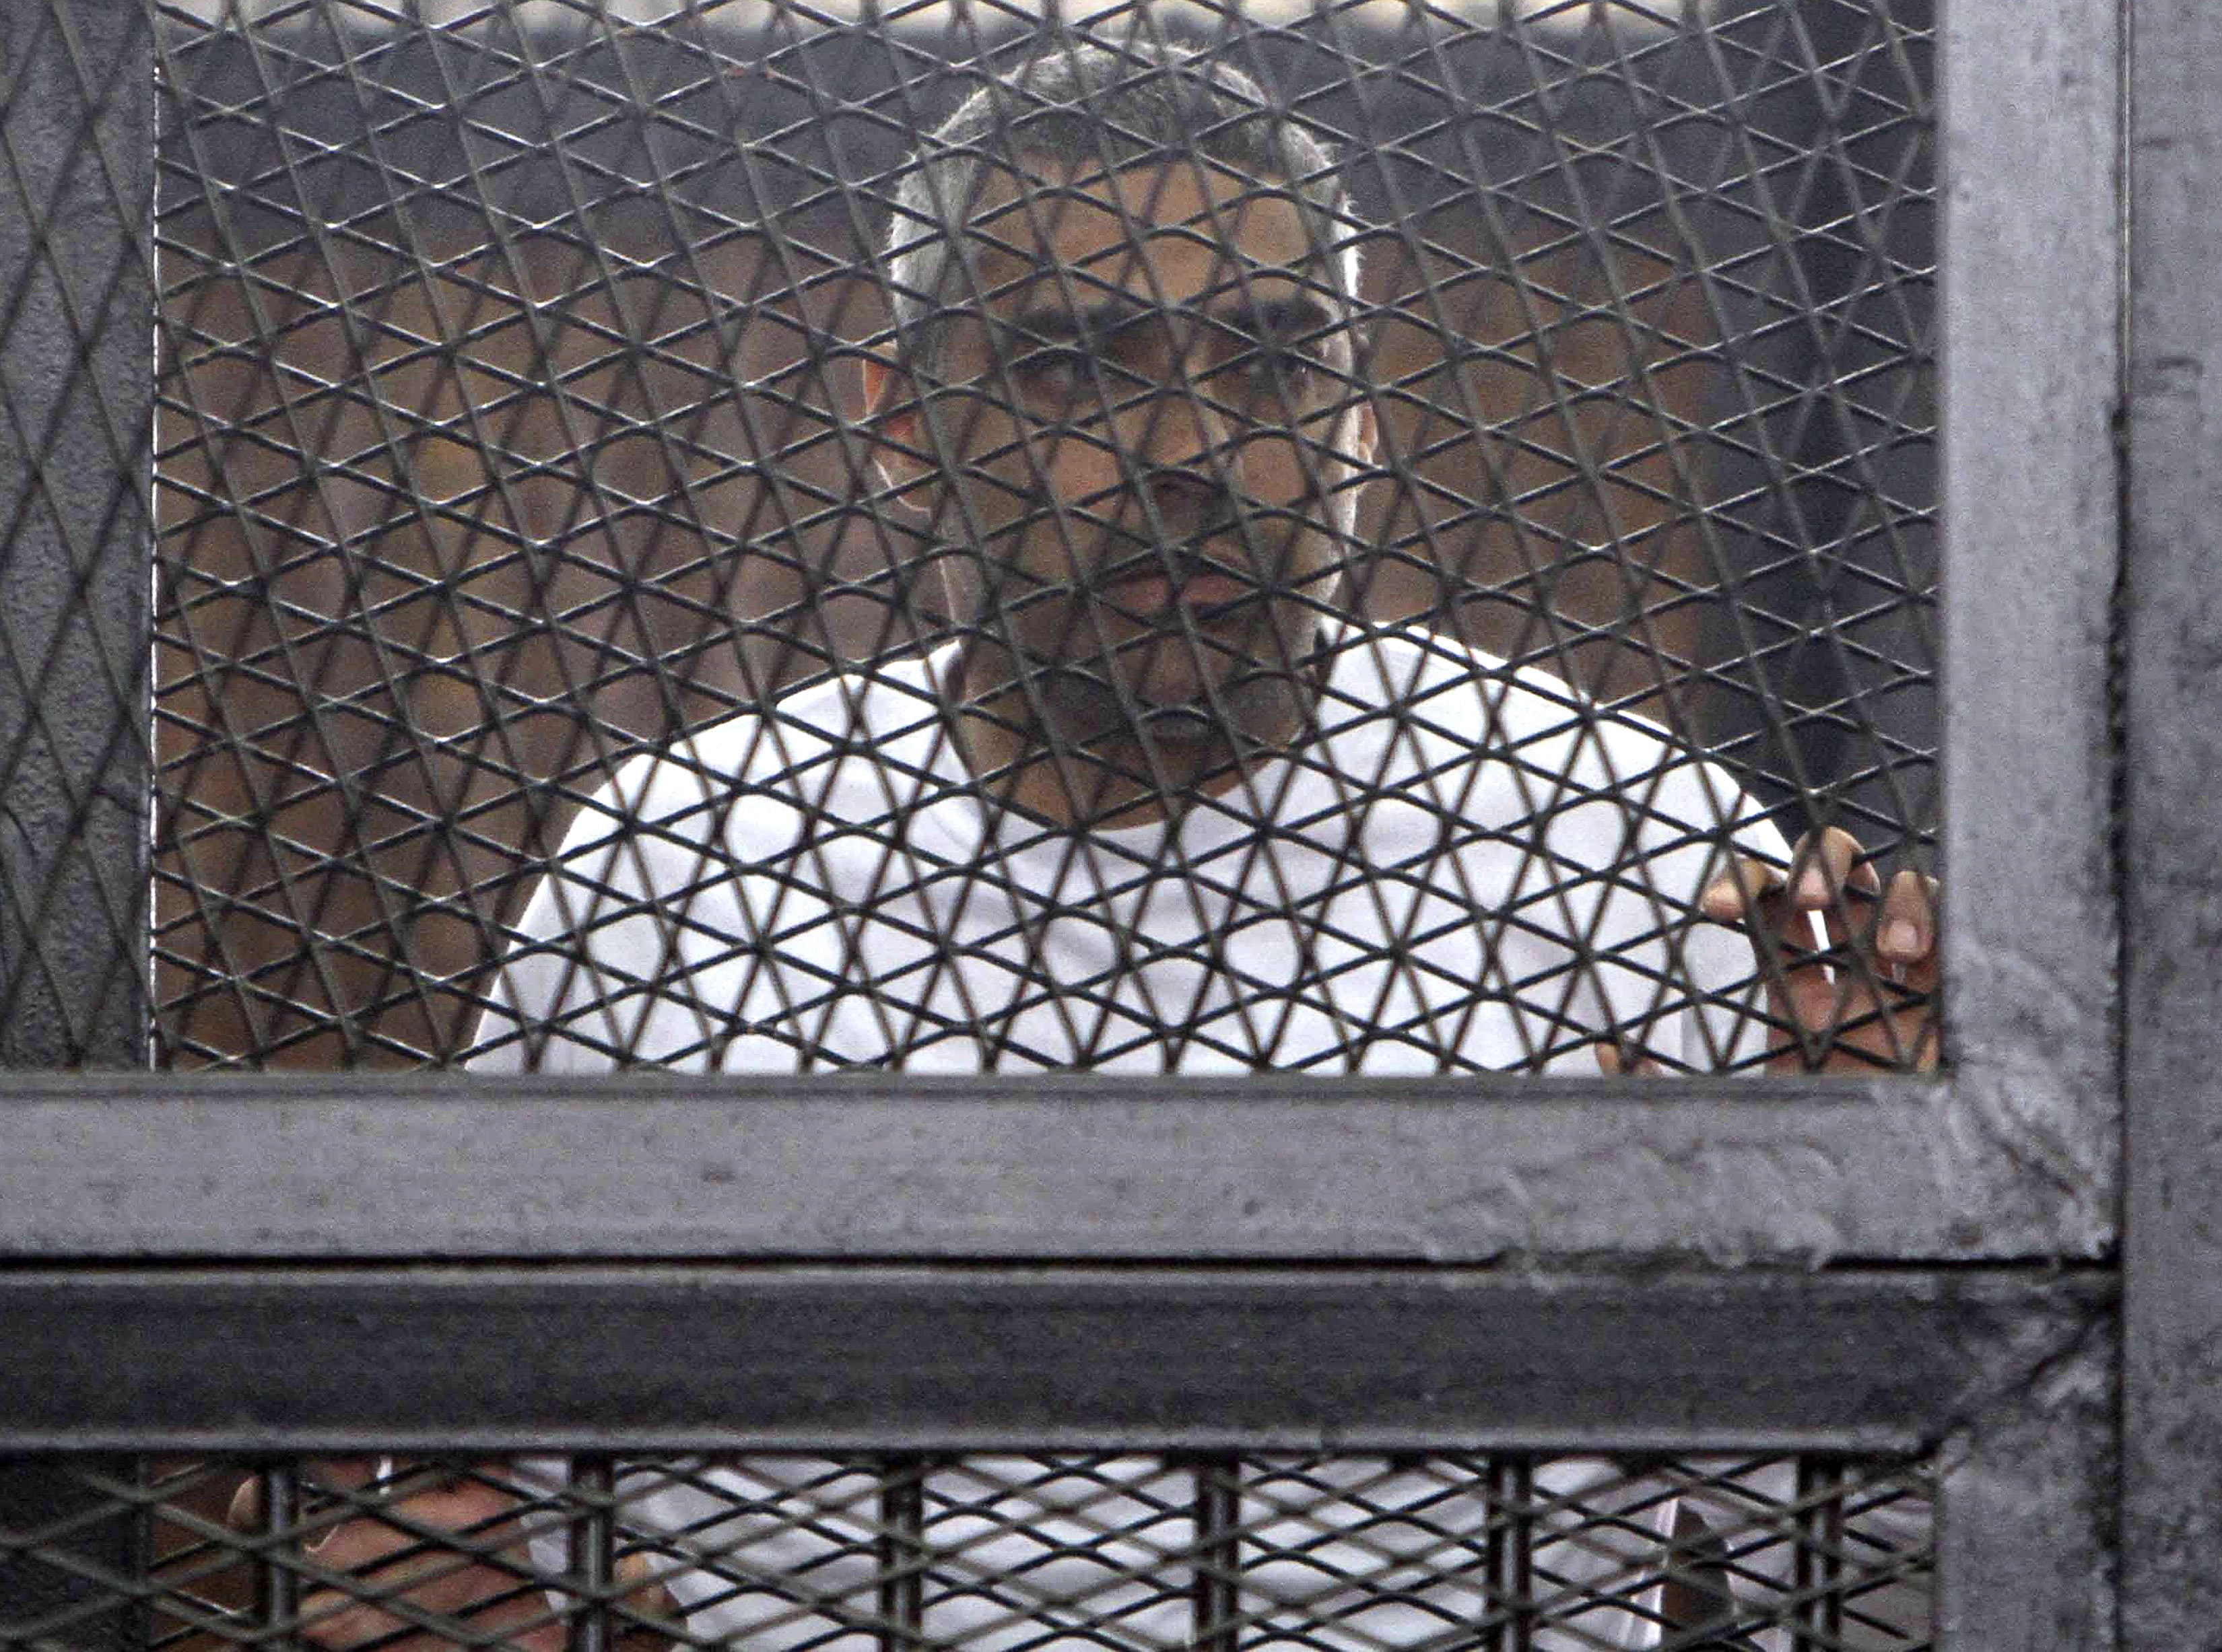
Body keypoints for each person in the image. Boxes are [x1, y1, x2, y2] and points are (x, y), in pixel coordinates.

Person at [232, 34, 1939, 1651]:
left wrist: (1905, 1235)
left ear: (1365, 412)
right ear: (910, 422)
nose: (1184, 453)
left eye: (1269, 360)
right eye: (1069, 367)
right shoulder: (680, 873)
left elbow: (1885, 1538)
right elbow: (447, 1510)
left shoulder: (1622, 851)